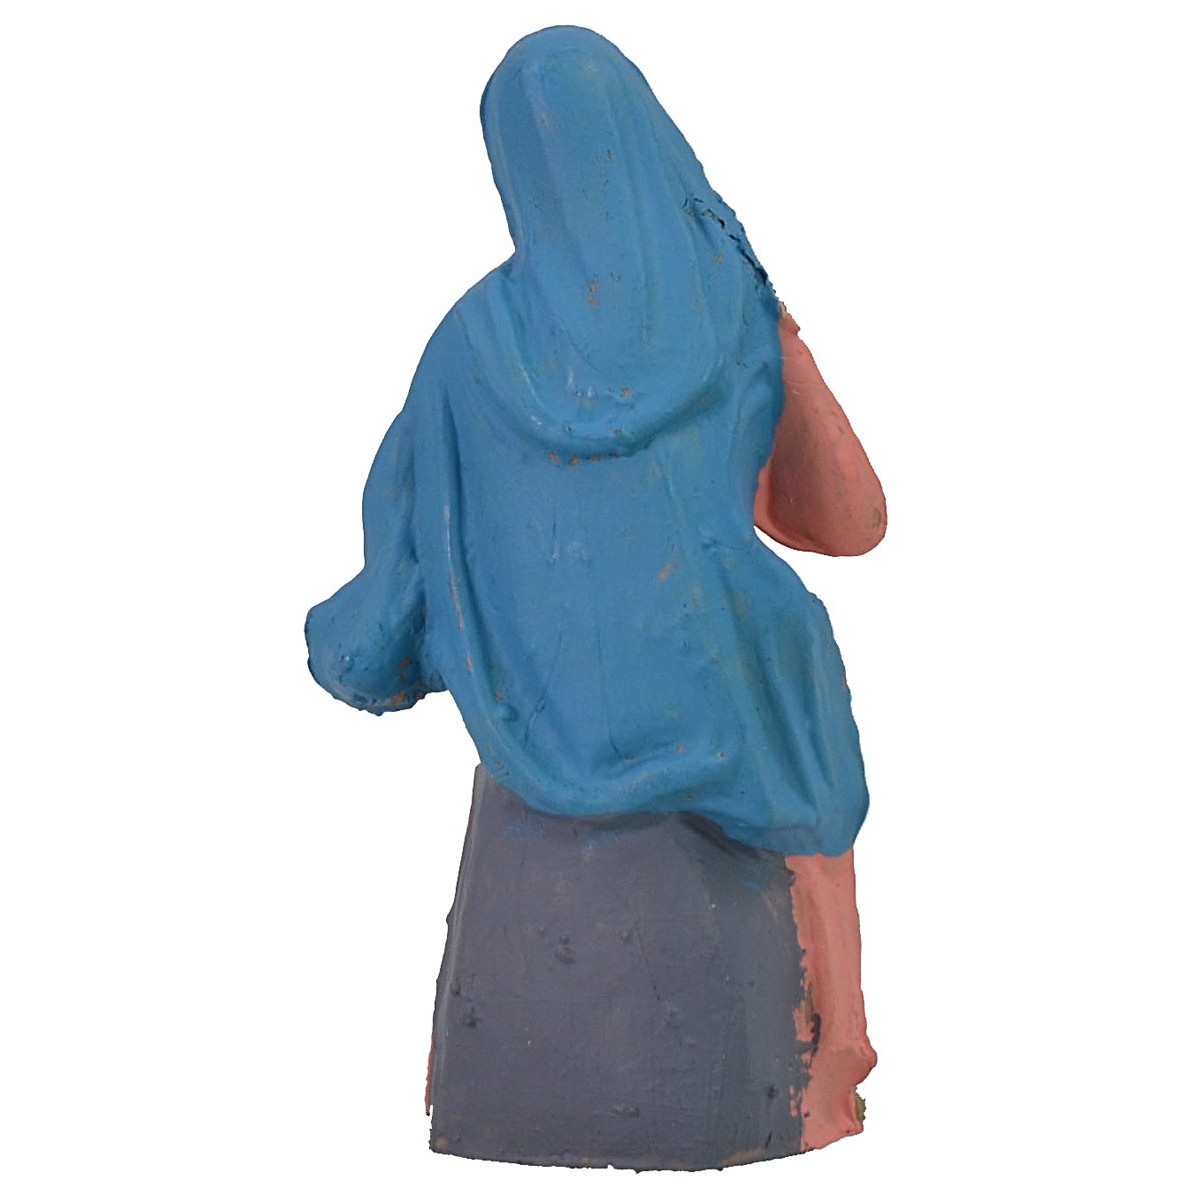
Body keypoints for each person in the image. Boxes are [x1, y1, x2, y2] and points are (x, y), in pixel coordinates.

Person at [306, 25, 885, 1169]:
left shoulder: (471, 342)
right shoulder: (729, 307)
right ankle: (831, 1062)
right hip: (739, 700)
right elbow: (849, 522)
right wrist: (777, 322)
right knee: (793, 712)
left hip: (534, 717)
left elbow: (400, 571)